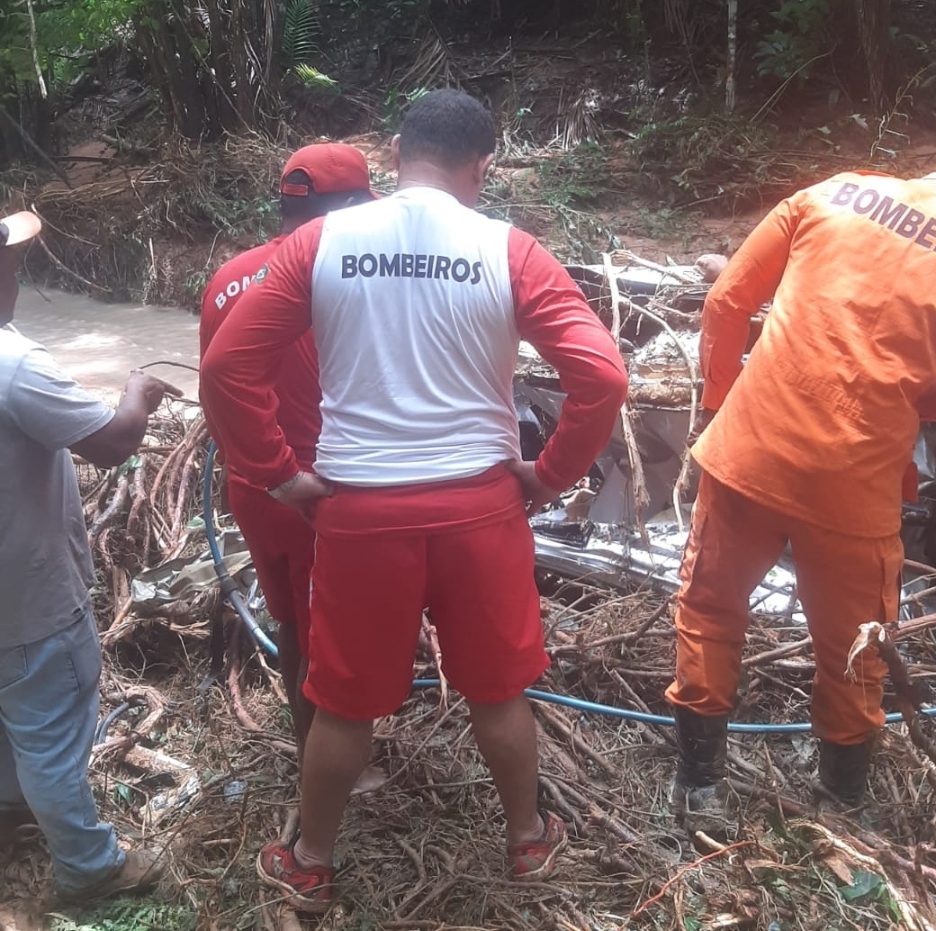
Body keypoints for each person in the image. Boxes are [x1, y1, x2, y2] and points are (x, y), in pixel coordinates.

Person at [201, 88, 628, 911]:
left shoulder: (320, 243)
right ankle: (528, 841)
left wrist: (280, 473)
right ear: (482, 166)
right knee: (499, 692)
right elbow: (603, 375)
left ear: (396, 155)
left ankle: (311, 860)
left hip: (360, 515)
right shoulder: (510, 249)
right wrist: (549, 474)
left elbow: (225, 369)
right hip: (481, 509)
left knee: (342, 701)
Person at [666, 141, 936, 828]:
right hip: (856, 478)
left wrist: (723, 407)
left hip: (750, 447)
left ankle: (700, 789)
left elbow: (726, 300)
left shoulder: (834, 190)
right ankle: (841, 807)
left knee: (711, 609)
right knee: (854, 646)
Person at [0, 210, 179, 898]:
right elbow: (109, 442)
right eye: (13, 265)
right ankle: (89, 867)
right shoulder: (14, 366)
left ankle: (12, 806)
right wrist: (136, 390)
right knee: (50, 731)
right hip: (28, 598)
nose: (19, 273)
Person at [199, 142, 378, 765]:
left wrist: (254, 469)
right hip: (314, 491)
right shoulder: (343, 277)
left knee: (289, 623)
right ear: (351, 207)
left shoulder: (227, 278)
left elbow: (215, 388)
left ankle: (312, 751)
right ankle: (334, 773)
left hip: (252, 486)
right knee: (329, 635)